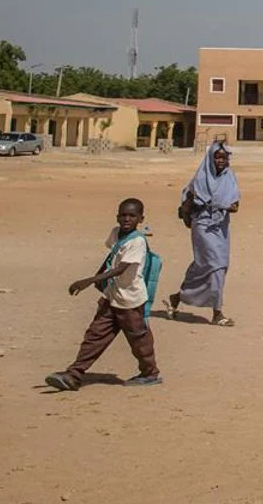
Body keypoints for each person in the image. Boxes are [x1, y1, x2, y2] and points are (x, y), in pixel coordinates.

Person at [45, 198, 162, 391]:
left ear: (141, 218)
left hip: (130, 300)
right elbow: (111, 259)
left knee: (139, 339)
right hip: (112, 296)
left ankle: (150, 373)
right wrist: (100, 281)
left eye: (132, 216)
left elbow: (121, 269)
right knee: (95, 335)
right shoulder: (116, 233)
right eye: (123, 215)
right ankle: (74, 375)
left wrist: (90, 280)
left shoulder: (138, 241)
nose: (126, 219)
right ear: (117, 216)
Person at [168, 140, 240, 326]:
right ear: (210, 158)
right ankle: (217, 313)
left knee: (216, 265)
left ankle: (179, 296)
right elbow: (188, 204)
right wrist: (196, 206)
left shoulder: (230, 177)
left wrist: (226, 206)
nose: (221, 161)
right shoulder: (200, 179)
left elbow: (235, 205)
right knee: (214, 264)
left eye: (224, 158)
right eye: (217, 157)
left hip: (221, 227)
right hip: (202, 226)